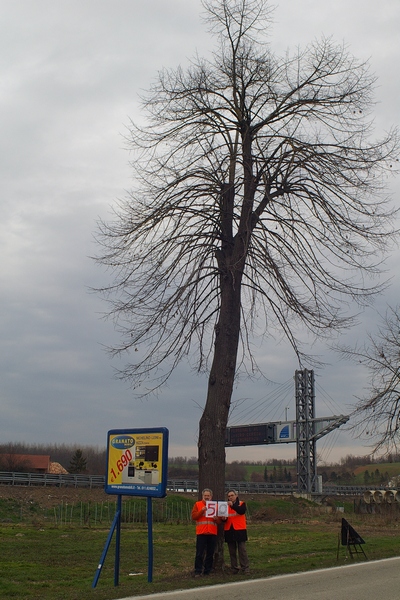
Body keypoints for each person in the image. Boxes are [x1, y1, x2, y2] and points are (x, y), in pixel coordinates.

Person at [191, 487, 219, 577]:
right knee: (199, 553)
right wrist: (201, 511)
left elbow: (220, 521)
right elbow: (194, 516)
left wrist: (216, 519)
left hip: (212, 532)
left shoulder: (216, 506)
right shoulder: (197, 504)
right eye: (205, 495)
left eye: (208, 495)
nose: (207, 497)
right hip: (201, 532)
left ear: (211, 496)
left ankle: (207, 571)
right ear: (202, 496)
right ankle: (198, 570)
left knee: (210, 553)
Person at [223, 489, 249, 574]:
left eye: (232, 495)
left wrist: (232, 506)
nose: (230, 497)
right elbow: (225, 518)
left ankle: (245, 568)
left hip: (239, 530)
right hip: (229, 530)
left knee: (242, 550)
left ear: (236, 495)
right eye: (229, 496)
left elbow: (241, 511)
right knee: (232, 551)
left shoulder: (242, 503)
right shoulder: (225, 506)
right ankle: (234, 568)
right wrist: (223, 519)